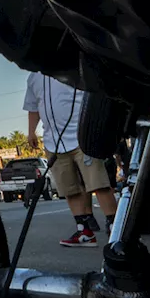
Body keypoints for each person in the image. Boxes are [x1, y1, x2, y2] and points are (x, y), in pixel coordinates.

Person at [24, 71, 119, 247]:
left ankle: (116, 228)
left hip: (82, 136)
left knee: (99, 183)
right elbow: (33, 107)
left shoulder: (71, 66)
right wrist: (31, 131)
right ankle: (85, 232)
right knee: (69, 189)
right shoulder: (33, 78)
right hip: (53, 142)